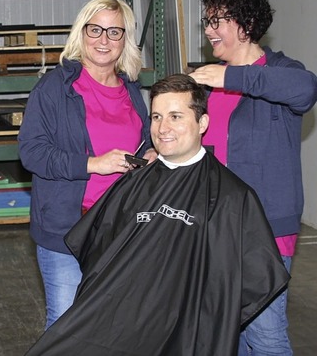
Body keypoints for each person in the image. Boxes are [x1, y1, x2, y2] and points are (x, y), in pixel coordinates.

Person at [25, 74, 290, 356]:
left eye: (176, 116)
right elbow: (98, 254)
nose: (163, 128)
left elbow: (250, 281)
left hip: (189, 332)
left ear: (202, 123)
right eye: (156, 117)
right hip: (128, 325)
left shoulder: (232, 197)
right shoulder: (131, 185)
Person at [189, 0, 317, 355]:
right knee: (234, 331)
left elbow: (307, 89)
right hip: (216, 223)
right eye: (207, 22)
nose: (209, 30)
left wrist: (230, 77)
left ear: (245, 24)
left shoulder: (278, 72)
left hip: (266, 227)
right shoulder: (209, 84)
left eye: (218, 21)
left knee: (265, 332)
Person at [17, 0, 155, 329]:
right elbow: (31, 152)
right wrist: (92, 164)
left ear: (126, 40)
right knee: (66, 326)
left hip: (122, 227)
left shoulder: (131, 89)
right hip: (67, 229)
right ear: (82, 33)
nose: (104, 40)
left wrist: (151, 152)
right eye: (96, 29)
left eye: (114, 32)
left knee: (117, 325)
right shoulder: (54, 88)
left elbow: (145, 138)